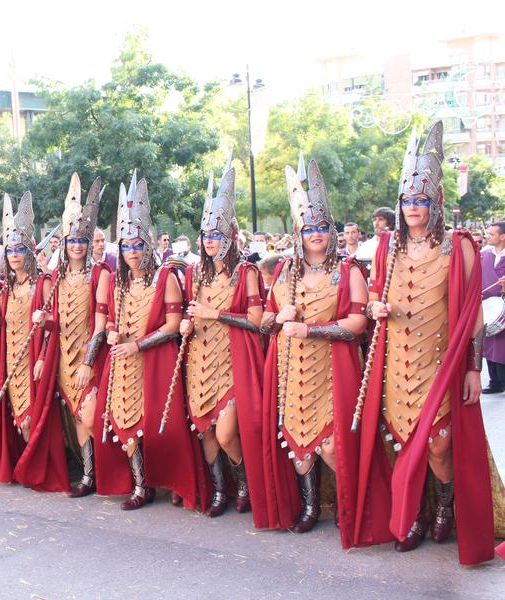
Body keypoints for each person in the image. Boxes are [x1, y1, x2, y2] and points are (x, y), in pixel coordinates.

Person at [361, 121, 496, 564]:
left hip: (440, 364)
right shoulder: (386, 248)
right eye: (406, 200)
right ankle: (411, 514)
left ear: (435, 202)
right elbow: (374, 298)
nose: (412, 207)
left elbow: (472, 313)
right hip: (394, 363)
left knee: (439, 444)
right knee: (398, 441)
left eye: (420, 200)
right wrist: (374, 309)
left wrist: (474, 367)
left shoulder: (459, 248)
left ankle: (444, 505)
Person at [261, 155, 385, 550]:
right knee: (296, 440)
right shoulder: (285, 272)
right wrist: (277, 316)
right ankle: (311, 506)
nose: (315, 234)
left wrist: (310, 329)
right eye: (308, 227)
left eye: (321, 227)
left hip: (333, 367)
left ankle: (352, 505)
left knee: (332, 444)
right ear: (298, 232)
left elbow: (357, 324)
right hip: (288, 365)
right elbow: (264, 320)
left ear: (331, 231)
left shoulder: (348, 271)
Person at [94, 172, 198, 511]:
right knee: (122, 422)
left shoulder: (165, 277)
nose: (132, 252)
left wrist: (137, 345)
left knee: (158, 424)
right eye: (126, 246)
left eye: (138, 245)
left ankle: (170, 480)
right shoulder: (117, 283)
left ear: (148, 245)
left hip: (154, 360)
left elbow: (172, 325)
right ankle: (141, 485)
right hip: (122, 360)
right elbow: (111, 319)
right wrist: (112, 331)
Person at [180, 164, 268, 521]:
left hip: (232, 363)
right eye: (204, 235)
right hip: (199, 359)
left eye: (216, 234)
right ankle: (219, 491)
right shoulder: (194, 274)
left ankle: (243, 484)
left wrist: (214, 314)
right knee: (205, 432)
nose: (209, 240)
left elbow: (257, 320)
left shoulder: (246, 272)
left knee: (228, 431)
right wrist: (188, 322)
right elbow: (189, 313)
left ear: (230, 235)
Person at [19, 174, 110, 495]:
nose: (76, 246)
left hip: (89, 357)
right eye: (71, 241)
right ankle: (88, 475)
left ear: (88, 244)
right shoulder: (53, 278)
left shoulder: (100, 275)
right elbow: (50, 325)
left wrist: (88, 361)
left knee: (90, 416)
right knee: (74, 417)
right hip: (60, 359)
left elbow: (100, 324)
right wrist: (43, 338)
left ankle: (104, 471)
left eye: (81, 241)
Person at [0, 191, 49, 484]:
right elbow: (3, 324)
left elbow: (50, 326)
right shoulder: (6, 289)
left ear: (29, 254)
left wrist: (44, 358)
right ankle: (23, 466)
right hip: (11, 359)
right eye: (9, 251)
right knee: (15, 417)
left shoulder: (42, 285)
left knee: (32, 418)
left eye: (19, 250)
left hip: (32, 359)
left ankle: (33, 467)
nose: (14, 255)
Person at [480, 222, 505, 393]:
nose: (487, 237)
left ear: (502, 236)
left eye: (491, 234)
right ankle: (494, 381)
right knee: (488, 344)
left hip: (502, 305)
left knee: (502, 346)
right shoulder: (483, 254)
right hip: (488, 306)